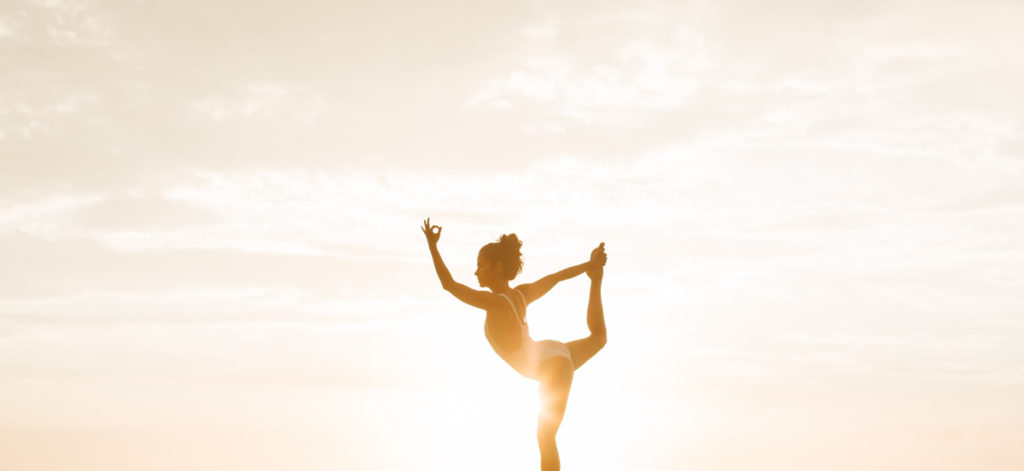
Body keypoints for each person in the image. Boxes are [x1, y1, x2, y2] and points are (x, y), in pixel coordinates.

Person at [421, 218, 607, 471]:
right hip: (552, 352)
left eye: (480, 266)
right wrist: (591, 266)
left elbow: (449, 285)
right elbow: (555, 278)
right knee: (598, 338)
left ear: (497, 267)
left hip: (550, 363)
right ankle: (596, 280)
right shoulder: (521, 293)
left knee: (545, 436)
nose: (476, 272)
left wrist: (432, 246)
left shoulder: (494, 303)